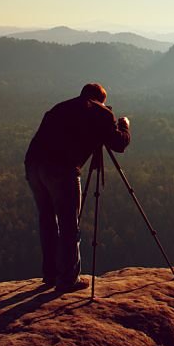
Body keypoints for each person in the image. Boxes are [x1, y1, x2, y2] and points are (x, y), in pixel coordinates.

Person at [24, 83, 131, 291]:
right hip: (61, 170)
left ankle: (51, 275)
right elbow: (118, 144)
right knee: (68, 224)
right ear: (101, 100)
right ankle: (67, 279)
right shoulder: (101, 113)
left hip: (33, 165)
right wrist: (124, 125)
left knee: (47, 219)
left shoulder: (60, 107)